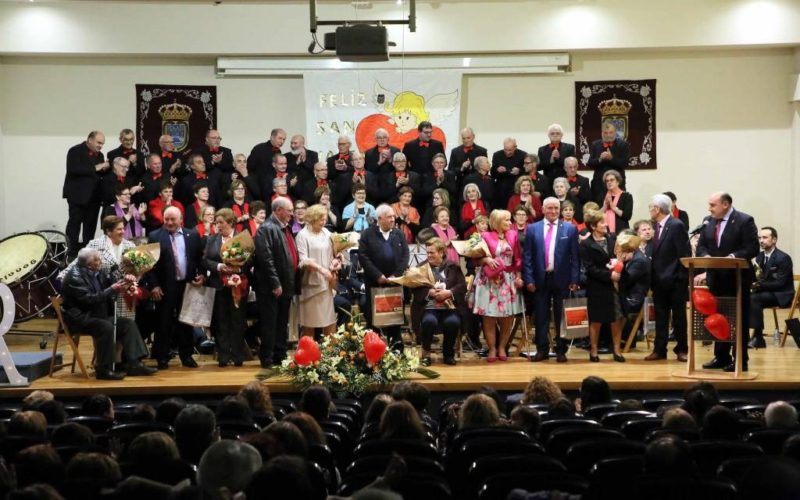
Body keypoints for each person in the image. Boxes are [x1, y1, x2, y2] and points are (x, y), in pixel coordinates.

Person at [60, 248, 155, 380]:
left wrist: (125, 281)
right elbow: (90, 299)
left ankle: (134, 363)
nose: (101, 261)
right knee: (106, 327)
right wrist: (112, 289)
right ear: (88, 264)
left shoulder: (99, 271)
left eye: (100, 258)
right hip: (79, 318)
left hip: (95, 315)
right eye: (97, 260)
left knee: (127, 323)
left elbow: (112, 284)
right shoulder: (74, 277)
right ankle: (103, 369)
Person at [695, 192, 759, 372]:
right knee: (718, 318)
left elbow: (752, 247)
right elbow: (702, 246)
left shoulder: (744, 220)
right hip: (716, 278)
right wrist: (705, 257)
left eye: (712, 205)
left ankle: (740, 359)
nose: (709, 208)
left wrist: (731, 257)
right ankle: (721, 356)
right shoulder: (708, 220)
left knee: (738, 319)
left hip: (737, 279)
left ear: (725, 204)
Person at [145, 206, 204, 369]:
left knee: (186, 322)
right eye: (167, 219)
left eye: (173, 219)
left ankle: (187, 356)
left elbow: (199, 260)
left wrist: (201, 275)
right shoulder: (155, 236)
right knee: (163, 322)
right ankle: (162, 357)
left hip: (187, 285)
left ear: (181, 220)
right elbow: (149, 266)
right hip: (165, 286)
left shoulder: (192, 235)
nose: (169, 223)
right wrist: (154, 285)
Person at [523, 197, 580, 363]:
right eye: (550, 208)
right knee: (541, 316)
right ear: (543, 209)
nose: (553, 211)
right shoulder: (532, 228)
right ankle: (542, 350)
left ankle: (561, 349)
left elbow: (575, 257)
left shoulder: (570, 229)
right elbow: (527, 257)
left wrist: (575, 279)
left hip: (562, 279)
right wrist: (529, 279)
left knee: (561, 316)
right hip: (540, 279)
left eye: (556, 208)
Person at [60, 215, 138, 320]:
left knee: (126, 327)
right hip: (104, 295)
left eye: (123, 228)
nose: (123, 231)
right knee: (108, 328)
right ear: (109, 231)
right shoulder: (95, 245)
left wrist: (132, 279)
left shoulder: (130, 246)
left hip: (125, 293)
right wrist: (63, 278)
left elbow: (139, 269)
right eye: (119, 229)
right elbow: (77, 263)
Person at [471, 209, 523, 362]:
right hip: (489, 279)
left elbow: (518, 258)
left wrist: (519, 276)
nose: (510, 223)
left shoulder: (513, 235)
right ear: (497, 222)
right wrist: (486, 260)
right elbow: (475, 259)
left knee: (508, 316)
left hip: (508, 278)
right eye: (506, 220)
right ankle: (492, 348)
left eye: (509, 219)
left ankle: (502, 347)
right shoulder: (483, 236)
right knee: (489, 316)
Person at [254, 197, 298, 368]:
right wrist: (275, 284)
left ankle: (280, 354)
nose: (291, 214)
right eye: (289, 210)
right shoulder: (265, 229)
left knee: (281, 322)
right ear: (279, 210)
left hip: (285, 284)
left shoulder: (283, 227)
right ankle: (267, 357)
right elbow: (266, 260)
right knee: (270, 323)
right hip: (271, 287)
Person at [646, 193, 690, 362]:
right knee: (661, 317)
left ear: (658, 209)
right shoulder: (656, 226)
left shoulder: (676, 225)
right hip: (658, 280)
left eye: (651, 207)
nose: (650, 210)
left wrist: (681, 279)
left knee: (679, 317)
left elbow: (683, 254)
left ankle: (682, 349)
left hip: (675, 281)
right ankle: (660, 349)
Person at [359, 204, 409, 349]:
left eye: (393, 216)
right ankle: (373, 352)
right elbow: (363, 257)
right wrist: (378, 275)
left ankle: (396, 353)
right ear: (379, 218)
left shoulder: (399, 234)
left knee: (395, 320)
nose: (393, 219)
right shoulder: (367, 234)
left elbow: (405, 256)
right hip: (374, 284)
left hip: (395, 284)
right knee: (373, 321)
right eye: (389, 217)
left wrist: (396, 275)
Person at [203, 208, 248, 367]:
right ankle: (223, 355)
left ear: (230, 222)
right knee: (220, 321)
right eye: (216, 222)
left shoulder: (243, 238)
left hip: (238, 285)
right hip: (219, 286)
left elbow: (251, 259)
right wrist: (219, 266)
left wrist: (239, 269)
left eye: (221, 222)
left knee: (237, 320)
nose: (218, 225)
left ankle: (237, 355)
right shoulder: (212, 239)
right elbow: (206, 260)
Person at [411, 237, 467, 366]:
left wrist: (449, 292)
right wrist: (429, 293)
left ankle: (448, 354)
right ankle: (426, 353)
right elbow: (414, 288)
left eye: (432, 252)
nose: (429, 255)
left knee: (453, 322)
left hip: (449, 307)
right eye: (428, 252)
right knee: (429, 321)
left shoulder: (453, 267)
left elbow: (462, 286)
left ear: (441, 252)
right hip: (428, 307)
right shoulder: (421, 268)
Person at [580, 210, 626, 362]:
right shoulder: (586, 244)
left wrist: (620, 264)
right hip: (597, 286)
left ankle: (617, 350)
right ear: (593, 226)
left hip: (614, 287)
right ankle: (593, 351)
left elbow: (619, 256)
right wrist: (609, 275)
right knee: (596, 320)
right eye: (602, 222)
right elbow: (590, 268)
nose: (605, 224)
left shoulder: (612, 238)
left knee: (617, 318)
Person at [63, 131, 109, 259]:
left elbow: (97, 174)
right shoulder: (75, 151)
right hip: (77, 196)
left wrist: (104, 170)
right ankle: (70, 254)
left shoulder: (100, 155)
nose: (101, 146)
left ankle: (87, 254)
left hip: (93, 198)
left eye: (102, 144)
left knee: (90, 227)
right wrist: (96, 168)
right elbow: (73, 169)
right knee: (74, 225)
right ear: (90, 139)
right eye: (99, 143)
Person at [296, 204, 340, 337]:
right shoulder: (302, 235)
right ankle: (308, 355)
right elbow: (303, 260)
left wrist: (336, 261)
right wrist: (321, 270)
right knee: (310, 324)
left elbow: (336, 252)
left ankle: (331, 355)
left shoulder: (326, 233)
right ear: (313, 219)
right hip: (310, 286)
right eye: (321, 219)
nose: (324, 222)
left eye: (325, 219)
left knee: (330, 321)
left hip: (327, 284)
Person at [749, 226, 795, 348]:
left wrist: (758, 285)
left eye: (764, 237)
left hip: (782, 294)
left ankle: (758, 337)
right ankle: (751, 336)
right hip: (766, 292)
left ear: (774, 240)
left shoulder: (783, 258)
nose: (761, 241)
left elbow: (780, 283)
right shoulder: (759, 256)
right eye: (759, 238)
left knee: (754, 298)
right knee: (748, 297)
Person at [587, 122, 630, 202]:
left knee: (617, 209)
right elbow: (590, 164)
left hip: (617, 184)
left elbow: (625, 164)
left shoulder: (623, 145)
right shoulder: (595, 144)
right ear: (602, 133)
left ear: (615, 133)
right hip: (598, 185)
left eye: (610, 132)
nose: (608, 135)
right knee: (599, 211)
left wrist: (611, 159)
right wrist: (599, 159)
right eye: (605, 133)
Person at [248, 128, 286, 195]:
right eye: (280, 138)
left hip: (271, 186)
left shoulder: (279, 151)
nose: (282, 141)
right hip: (258, 185)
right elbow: (250, 166)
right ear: (272, 137)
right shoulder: (259, 148)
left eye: (284, 139)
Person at [491, 138, 526, 207]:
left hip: (516, 188)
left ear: (515, 147)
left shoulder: (523, 155)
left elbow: (526, 171)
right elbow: (492, 173)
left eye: (510, 150)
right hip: (501, 190)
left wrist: (519, 171)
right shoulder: (497, 155)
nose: (507, 152)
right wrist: (497, 170)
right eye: (505, 149)